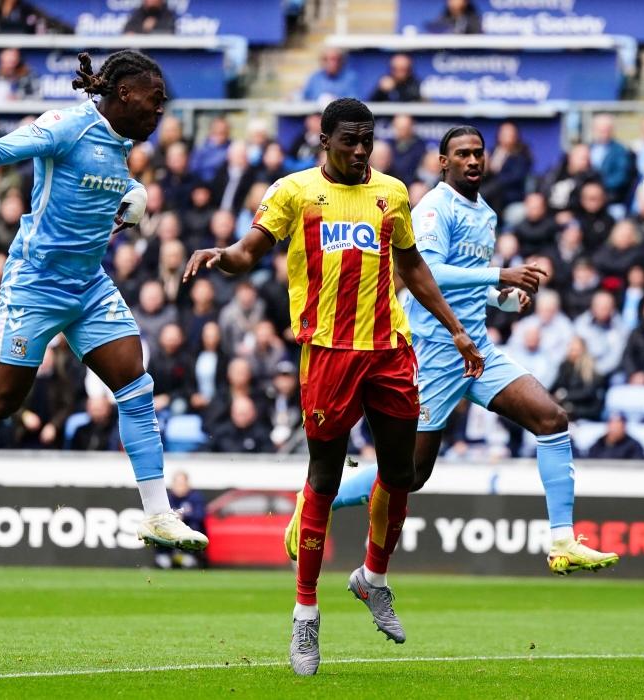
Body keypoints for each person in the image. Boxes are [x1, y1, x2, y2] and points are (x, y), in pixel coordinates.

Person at [183, 99, 483, 676]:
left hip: (389, 349)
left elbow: (413, 267)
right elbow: (250, 250)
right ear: (325, 140)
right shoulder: (294, 192)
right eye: (350, 140)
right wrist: (222, 256)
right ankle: (305, 614)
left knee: (401, 473)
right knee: (323, 477)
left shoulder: (392, 193)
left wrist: (456, 329)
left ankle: (373, 578)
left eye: (367, 140)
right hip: (327, 354)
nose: (361, 150)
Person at [0, 51, 208, 553]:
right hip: (35, 284)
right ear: (125, 93)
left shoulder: (121, 144)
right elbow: (11, 146)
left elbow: (95, 187)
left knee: (136, 385)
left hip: (89, 286)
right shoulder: (68, 125)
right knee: (0, 402)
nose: (160, 109)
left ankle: (157, 514)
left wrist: (132, 192)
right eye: (155, 99)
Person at [300, 125, 615, 569]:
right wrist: (499, 274)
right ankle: (320, 497)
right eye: (463, 154)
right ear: (443, 162)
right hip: (434, 350)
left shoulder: (485, 213)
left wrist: (500, 298)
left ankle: (562, 541)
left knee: (551, 419)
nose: (472, 160)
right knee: (410, 474)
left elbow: (465, 280)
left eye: (478, 153)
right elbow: (426, 273)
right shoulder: (434, 208)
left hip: (477, 349)